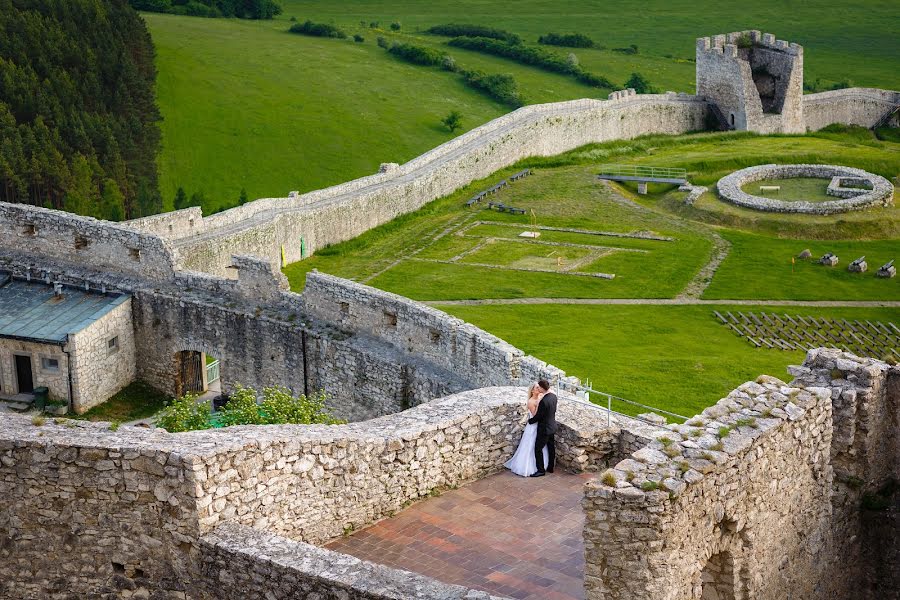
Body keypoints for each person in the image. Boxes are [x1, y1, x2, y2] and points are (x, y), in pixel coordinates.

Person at [504, 383, 549, 477]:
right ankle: (528, 466)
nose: (539, 389)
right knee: (531, 445)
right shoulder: (531, 401)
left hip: (540, 425)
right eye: (537, 388)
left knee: (539, 446)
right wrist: (539, 403)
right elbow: (535, 415)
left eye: (539, 388)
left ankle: (541, 464)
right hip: (533, 426)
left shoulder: (539, 398)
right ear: (532, 391)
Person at [528, 379, 557, 477]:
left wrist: (530, 421)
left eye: (538, 387)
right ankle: (551, 467)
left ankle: (540, 470)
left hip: (544, 429)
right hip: (552, 426)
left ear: (541, 388)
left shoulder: (544, 401)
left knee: (538, 449)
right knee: (551, 447)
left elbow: (538, 416)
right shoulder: (553, 396)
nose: (538, 388)